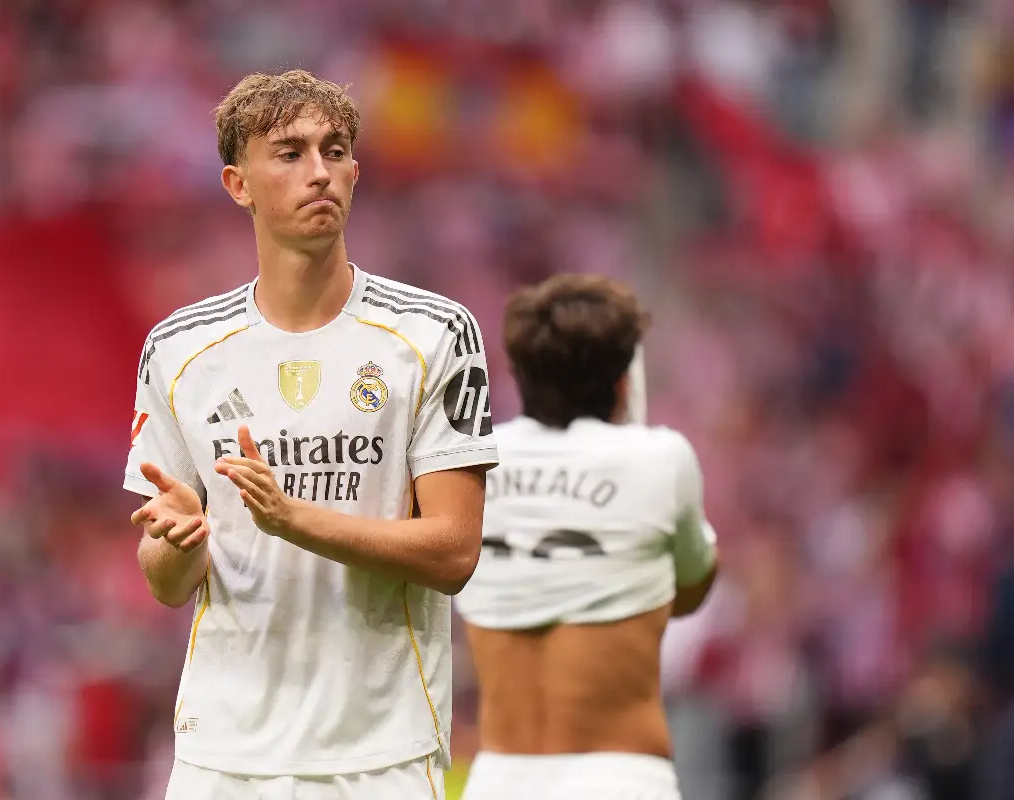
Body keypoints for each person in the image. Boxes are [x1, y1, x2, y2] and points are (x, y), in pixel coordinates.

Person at [123, 69, 498, 799]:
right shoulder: (179, 350)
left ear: (356, 172)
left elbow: (454, 552)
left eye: (334, 151)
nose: (318, 171)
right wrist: (175, 544)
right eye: (289, 154)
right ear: (239, 184)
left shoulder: (434, 334)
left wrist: (291, 518)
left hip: (380, 754)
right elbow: (168, 585)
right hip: (222, 757)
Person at [454, 274, 718, 800]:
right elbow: (691, 590)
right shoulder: (661, 459)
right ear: (622, 381)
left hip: (499, 779)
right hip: (619, 780)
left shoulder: (469, 462)